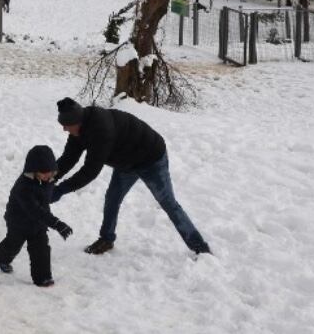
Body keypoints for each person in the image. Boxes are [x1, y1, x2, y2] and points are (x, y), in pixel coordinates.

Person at [51, 98, 210, 256]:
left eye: (66, 125)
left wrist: (61, 190)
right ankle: (106, 239)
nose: (64, 129)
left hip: (151, 159)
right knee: (112, 199)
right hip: (126, 163)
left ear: (77, 121)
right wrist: (50, 179)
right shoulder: (77, 130)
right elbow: (68, 158)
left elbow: (90, 170)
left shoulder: (101, 129)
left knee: (168, 202)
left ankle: (200, 248)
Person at [0, 145, 73, 287]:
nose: (48, 175)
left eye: (50, 172)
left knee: (41, 249)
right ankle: (2, 257)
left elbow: (45, 200)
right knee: (13, 244)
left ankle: (43, 278)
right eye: (44, 172)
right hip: (18, 221)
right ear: (33, 170)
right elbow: (34, 209)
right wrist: (56, 223)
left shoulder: (48, 179)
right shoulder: (23, 187)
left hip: (39, 222)